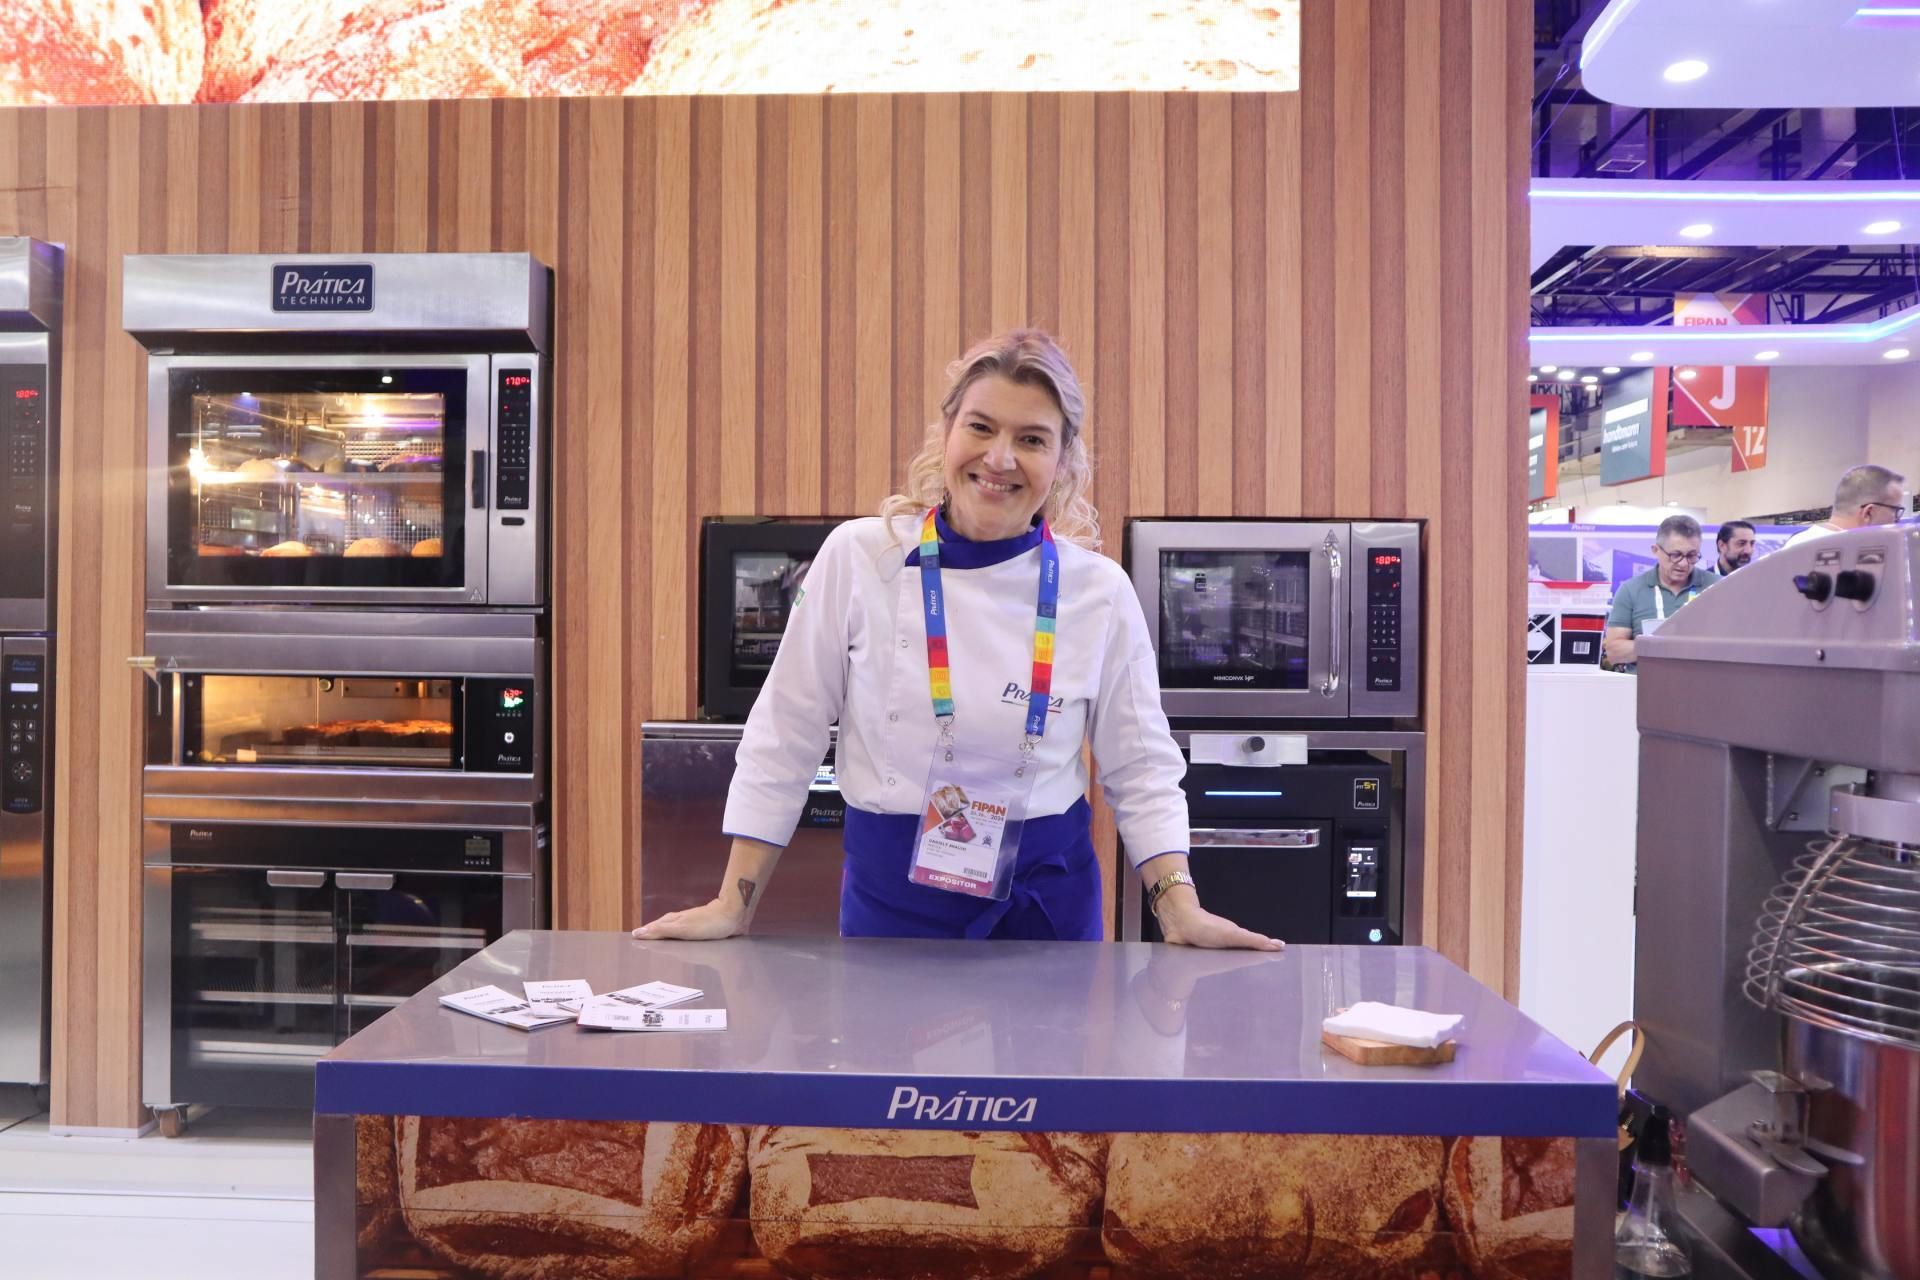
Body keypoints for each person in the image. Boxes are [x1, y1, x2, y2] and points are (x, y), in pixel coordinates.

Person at [635, 329, 1279, 951]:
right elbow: (787, 733)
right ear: (947, 434)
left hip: (1045, 912)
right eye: (981, 427)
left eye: (1031, 438)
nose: (1000, 458)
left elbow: (1140, 767)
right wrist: (733, 905)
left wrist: (1179, 907)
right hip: (896, 908)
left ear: (1063, 463)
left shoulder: (1098, 591)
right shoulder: (863, 557)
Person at [1603, 515, 1720, 674]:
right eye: (1676, 555)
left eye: (1692, 556)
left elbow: (1737, 644)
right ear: (1656, 550)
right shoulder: (1631, 590)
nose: (1684, 564)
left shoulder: (1717, 586)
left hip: (1703, 687)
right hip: (1646, 690)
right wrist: (1663, 647)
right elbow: (1614, 652)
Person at [1784, 464, 1909, 548]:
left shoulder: (1797, 546)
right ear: (1868, 513)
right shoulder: (1851, 555)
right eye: (1895, 510)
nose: (1896, 521)